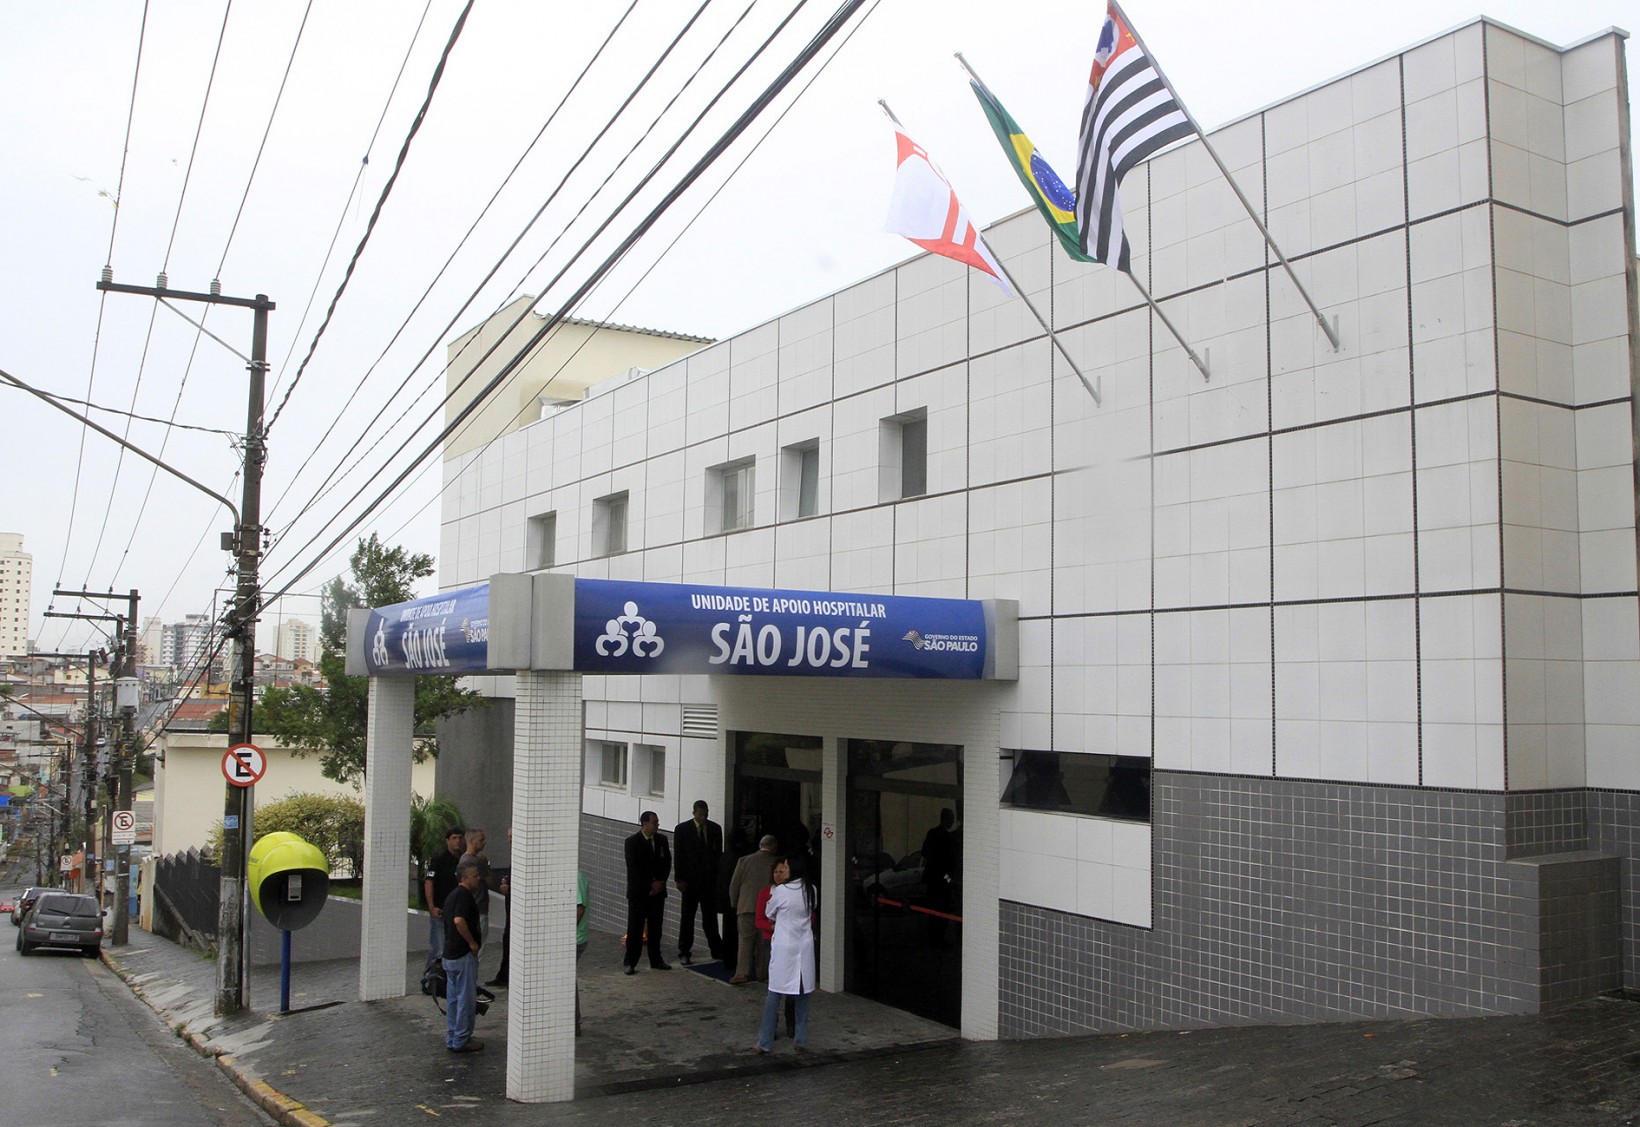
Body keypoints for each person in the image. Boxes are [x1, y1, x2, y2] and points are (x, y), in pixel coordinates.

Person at [756, 853, 817, 1054]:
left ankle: (765, 1042)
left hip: (784, 946)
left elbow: (769, 912)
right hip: (804, 946)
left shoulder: (781, 891)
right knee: (802, 996)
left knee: (774, 993)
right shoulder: (811, 890)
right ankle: (801, 1039)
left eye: (786, 868)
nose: (783, 872)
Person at [441, 860, 486, 1053]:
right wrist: (472, 943)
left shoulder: (451, 896)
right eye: (475, 876)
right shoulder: (464, 896)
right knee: (466, 999)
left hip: (450, 955)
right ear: (465, 878)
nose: (478, 878)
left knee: (453, 999)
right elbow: (459, 920)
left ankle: (453, 1035)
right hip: (462, 955)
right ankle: (462, 1037)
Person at [673, 799, 724, 964]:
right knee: (688, 917)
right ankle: (684, 951)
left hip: (709, 881)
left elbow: (717, 855)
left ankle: (716, 949)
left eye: (705, 814)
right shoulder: (683, 830)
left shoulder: (715, 829)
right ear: (694, 813)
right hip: (690, 881)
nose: (703, 817)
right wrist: (679, 879)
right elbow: (679, 856)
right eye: (700, 814)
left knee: (710, 917)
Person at [622, 811, 672, 974]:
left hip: (657, 893)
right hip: (639, 893)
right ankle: (630, 961)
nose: (657, 824)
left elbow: (667, 862)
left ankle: (656, 959)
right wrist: (650, 884)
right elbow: (634, 868)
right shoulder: (632, 842)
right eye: (654, 822)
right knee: (635, 928)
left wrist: (661, 881)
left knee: (656, 927)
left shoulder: (662, 840)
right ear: (645, 824)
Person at [727, 833, 778, 984]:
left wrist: (735, 903)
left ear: (760, 846)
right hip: (767, 911)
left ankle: (742, 973)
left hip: (746, 907)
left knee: (745, 941)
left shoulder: (744, 861)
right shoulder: (776, 863)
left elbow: (734, 886)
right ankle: (763, 974)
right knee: (763, 943)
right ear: (774, 847)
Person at [422, 826, 464, 973]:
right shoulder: (439, 860)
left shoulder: (462, 860)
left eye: (460, 838)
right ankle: (430, 977)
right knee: (439, 948)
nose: (457, 841)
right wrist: (432, 907)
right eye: (454, 838)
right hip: (441, 910)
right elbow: (429, 882)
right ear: (447, 840)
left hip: (457, 911)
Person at [921, 808, 958, 945]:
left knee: (933, 911)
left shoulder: (932, 833)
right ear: (947, 819)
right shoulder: (947, 838)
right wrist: (949, 880)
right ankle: (938, 939)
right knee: (942, 910)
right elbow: (949, 862)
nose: (952, 822)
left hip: (933, 880)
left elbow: (925, 853)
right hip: (941, 882)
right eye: (951, 819)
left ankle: (933, 939)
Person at [717, 826, 752, 974]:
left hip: (726, 899)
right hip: (741, 900)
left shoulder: (725, 856)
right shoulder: (745, 858)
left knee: (728, 930)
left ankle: (728, 959)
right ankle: (740, 961)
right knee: (742, 932)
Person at [487, 828, 513, 988]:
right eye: (508, 837)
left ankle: (506, 976)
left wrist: (510, 889)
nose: (509, 840)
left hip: (514, 910)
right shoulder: (515, 858)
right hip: (510, 908)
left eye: (512, 837)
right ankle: (504, 975)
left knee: (509, 940)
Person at [574, 869, 588, 1036]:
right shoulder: (576, 876)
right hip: (576, 937)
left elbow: (580, 908)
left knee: (567, 980)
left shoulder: (575, 877)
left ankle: (574, 1020)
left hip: (575, 939)